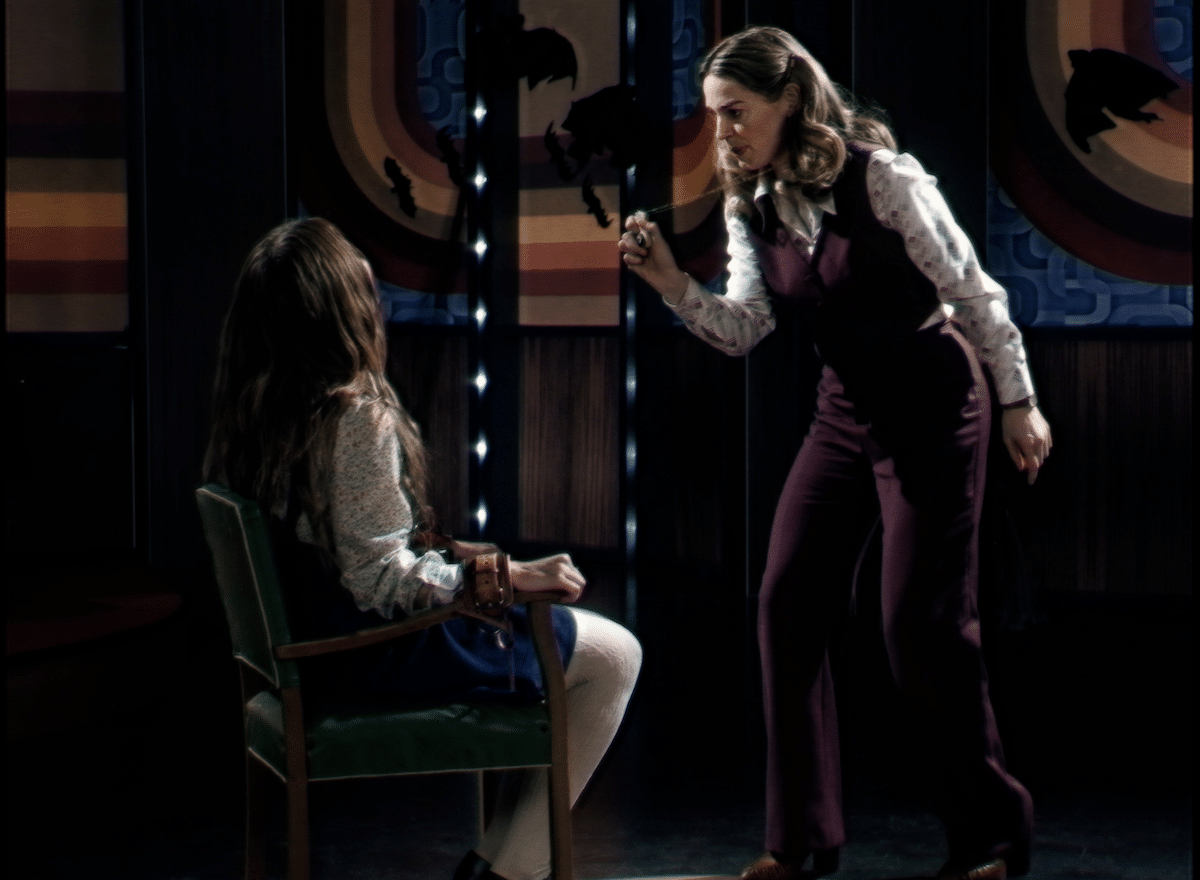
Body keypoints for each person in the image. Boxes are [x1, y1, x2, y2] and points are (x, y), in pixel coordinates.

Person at [619, 26, 1050, 880]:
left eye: (736, 112)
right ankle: (802, 840)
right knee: (785, 604)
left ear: (789, 100)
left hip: (934, 403)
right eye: (712, 117)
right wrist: (672, 284)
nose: (724, 134)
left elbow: (973, 290)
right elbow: (745, 329)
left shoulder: (885, 178)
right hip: (843, 411)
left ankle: (994, 836)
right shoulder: (752, 203)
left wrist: (1020, 402)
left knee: (920, 627)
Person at [205, 217, 641, 880]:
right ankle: (504, 871)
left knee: (581, 646)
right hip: (370, 653)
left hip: (313, 648)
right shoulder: (352, 414)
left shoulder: (254, 410)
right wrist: (507, 579)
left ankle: (502, 861)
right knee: (615, 655)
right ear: (341, 312)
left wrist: (475, 559)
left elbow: (358, 543)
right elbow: (380, 579)